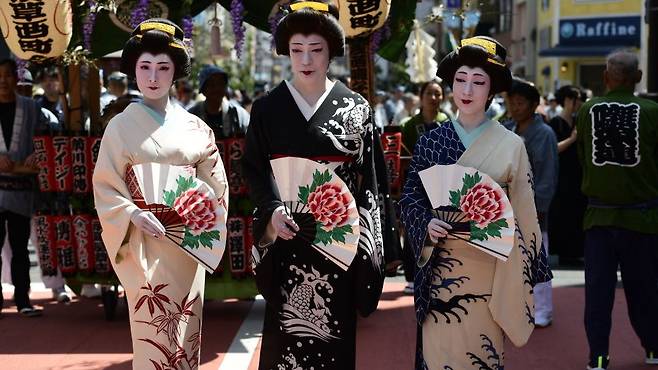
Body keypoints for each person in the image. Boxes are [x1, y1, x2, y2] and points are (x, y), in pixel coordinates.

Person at [242, 2, 384, 369]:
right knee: (285, 338)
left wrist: (365, 242)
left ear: (331, 51)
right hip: (288, 236)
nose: (306, 59)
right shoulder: (267, 108)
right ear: (286, 52)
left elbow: (368, 182)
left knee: (335, 338)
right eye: (296, 49)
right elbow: (255, 169)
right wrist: (272, 212)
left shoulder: (356, 108)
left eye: (316, 49)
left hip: (338, 241)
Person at [400, 36, 546, 369]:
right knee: (440, 351)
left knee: (482, 351)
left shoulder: (512, 145)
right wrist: (424, 222)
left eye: (478, 82)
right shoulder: (431, 141)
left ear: (491, 90)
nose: (467, 90)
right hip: (441, 265)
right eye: (460, 80)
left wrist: (528, 270)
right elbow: (410, 195)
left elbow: (524, 211)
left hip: (491, 267)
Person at [92, 19, 228, 369]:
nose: (153, 77)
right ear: (134, 70)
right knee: (153, 336)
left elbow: (215, 188)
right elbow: (106, 184)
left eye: (163, 68)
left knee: (187, 337)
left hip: (187, 244)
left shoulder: (197, 128)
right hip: (144, 246)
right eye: (145, 67)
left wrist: (203, 226)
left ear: (175, 73)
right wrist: (133, 213)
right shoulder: (121, 126)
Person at [576, 49, 658, 370]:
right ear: (637, 78)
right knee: (645, 290)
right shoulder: (652, 111)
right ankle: (652, 347)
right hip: (643, 218)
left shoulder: (588, 110)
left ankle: (598, 356)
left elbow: (583, 159)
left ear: (606, 77)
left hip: (598, 217)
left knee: (598, 293)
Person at [503, 79, 558, 328]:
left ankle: (543, 309)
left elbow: (547, 175)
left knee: (536, 258)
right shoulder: (506, 128)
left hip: (533, 207)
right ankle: (515, 308)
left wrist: (538, 208)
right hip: (505, 205)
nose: (515, 107)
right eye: (511, 101)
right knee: (507, 261)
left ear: (534, 105)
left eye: (521, 102)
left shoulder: (544, 134)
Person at [0, 58, 52, 317]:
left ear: (16, 78)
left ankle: (23, 300)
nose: (3, 81)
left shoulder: (32, 108)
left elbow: (48, 136)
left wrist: (37, 152)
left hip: (21, 188)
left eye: (8, 75)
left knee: (20, 249)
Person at [548, 85, 586, 267]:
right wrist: (572, 139)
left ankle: (576, 251)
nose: (579, 102)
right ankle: (563, 252)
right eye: (576, 99)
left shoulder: (578, 120)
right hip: (562, 175)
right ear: (567, 100)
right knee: (563, 212)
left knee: (577, 211)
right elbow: (552, 149)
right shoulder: (555, 122)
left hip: (578, 174)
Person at [188, 65, 249, 139]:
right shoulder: (192, 116)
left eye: (220, 83)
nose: (216, 88)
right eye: (211, 84)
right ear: (203, 90)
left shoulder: (239, 115)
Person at [399, 79, 449, 156]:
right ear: (421, 96)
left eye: (437, 94)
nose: (433, 97)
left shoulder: (448, 124)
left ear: (443, 98)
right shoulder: (407, 126)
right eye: (428, 93)